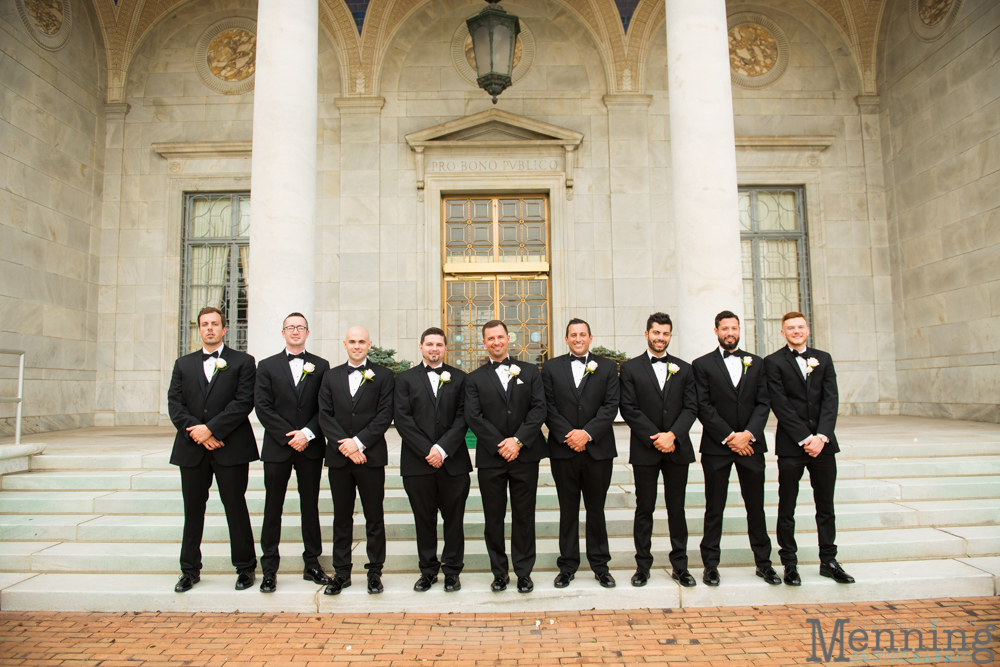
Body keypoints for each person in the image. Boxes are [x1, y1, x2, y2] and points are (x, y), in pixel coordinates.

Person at [167, 306, 257, 593]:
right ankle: (189, 570)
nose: (209, 328)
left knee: (235, 507)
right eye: (204, 324)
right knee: (192, 511)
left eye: (215, 324)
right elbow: (175, 404)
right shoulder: (183, 364)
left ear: (224, 329)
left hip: (231, 448)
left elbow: (243, 402)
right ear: (199, 329)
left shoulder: (243, 362)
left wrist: (213, 429)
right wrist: (199, 432)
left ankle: (245, 568)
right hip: (192, 449)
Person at [764, 311, 855, 585]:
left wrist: (822, 436)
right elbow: (780, 405)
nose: (796, 331)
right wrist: (806, 438)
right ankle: (789, 563)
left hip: (824, 446)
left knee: (825, 506)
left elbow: (831, 400)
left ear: (807, 329)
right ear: (783, 333)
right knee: (787, 507)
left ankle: (829, 560)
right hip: (792, 445)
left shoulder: (823, 359)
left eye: (800, 327)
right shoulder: (773, 362)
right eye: (790, 328)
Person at [692, 310, 779, 586]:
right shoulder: (701, 364)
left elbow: (764, 403)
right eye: (724, 328)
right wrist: (731, 436)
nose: (730, 332)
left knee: (756, 508)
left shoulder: (758, 363)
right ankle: (710, 566)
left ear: (739, 330)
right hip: (718, 447)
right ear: (716, 331)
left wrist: (748, 435)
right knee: (714, 508)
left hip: (751, 446)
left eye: (734, 328)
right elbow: (702, 406)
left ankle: (764, 564)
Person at [464, 320, 547, 593]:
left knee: (524, 516)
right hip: (492, 457)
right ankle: (499, 572)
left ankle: (524, 572)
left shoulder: (530, 371)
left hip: (525, 456)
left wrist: (518, 441)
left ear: (508, 338)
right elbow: (473, 416)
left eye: (500, 337)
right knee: (494, 517)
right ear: (484, 342)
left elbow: (538, 410)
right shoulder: (474, 378)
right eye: (490, 338)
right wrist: (502, 444)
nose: (496, 342)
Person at [253, 312, 333, 593]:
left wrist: (307, 434)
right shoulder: (266, 366)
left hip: (310, 447)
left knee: (309, 506)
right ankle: (269, 569)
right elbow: (263, 406)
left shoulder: (322, 366)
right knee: (272, 508)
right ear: (283, 332)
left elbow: (324, 406)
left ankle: (312, 563)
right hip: (278, 447)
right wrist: (289, 436)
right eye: (291, 327)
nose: (295, 331)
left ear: (307, 333)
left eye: (301, 327)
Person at [619, 312, 699, 588]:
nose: (660, 338)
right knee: (644, 508)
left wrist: (673, 435)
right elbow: (628, 409)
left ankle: (681, 566)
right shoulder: (630, 369)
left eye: (665, 334)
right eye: (656, 333)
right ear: (647, 334)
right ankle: (643, 566)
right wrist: (656, 437)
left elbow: (691, 407)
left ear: (670, 336)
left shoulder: (685, 368)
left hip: (677, 449)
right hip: (645, 449)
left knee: (677, 509)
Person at [541, 318, 619, 589]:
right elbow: (547, 407)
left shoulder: (608, 367)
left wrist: (586, 434)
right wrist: (570, 435)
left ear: (590, 337)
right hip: (564, 451)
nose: (577, 338)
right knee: (568, 509)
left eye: (582, 334)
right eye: (572, 335)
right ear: (566, 339)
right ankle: (568, 565)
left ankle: (600, 565)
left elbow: (611, 406)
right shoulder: (550, 368)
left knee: (596, 509)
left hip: (598, 450)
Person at [394, 327, 472, 593]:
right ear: (421, 347)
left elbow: (464, 417)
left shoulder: (461, 378)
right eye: (429, 344)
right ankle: (428, 571)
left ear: (446, 348)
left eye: (439, 344)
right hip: (418, 463)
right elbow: (403, 419)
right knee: (423, 520)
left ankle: (452, 571)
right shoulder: (404, 380)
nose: (434, 349)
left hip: (454, 464)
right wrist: (428, 450)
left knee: (454, 520)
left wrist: (443, 449)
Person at [317, 326, 394, 595]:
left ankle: (375, 572)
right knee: (341, 517)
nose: (357, 346)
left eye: (362, 341)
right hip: (339, 459)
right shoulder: (330, 376)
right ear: (345, 344)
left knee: (374, 516)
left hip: (370, 458)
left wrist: (359, 443)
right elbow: (324, 416)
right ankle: (342, 572)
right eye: (353, 341)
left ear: (369, 344)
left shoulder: (384, 376)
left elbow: (385, 415)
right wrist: (347, 447)